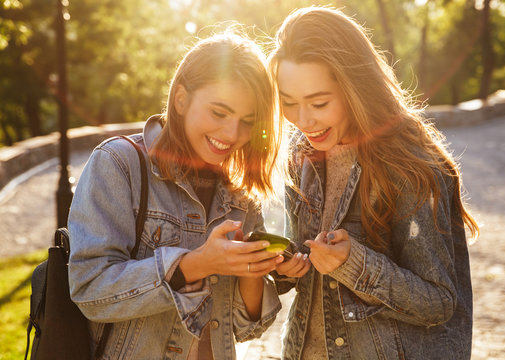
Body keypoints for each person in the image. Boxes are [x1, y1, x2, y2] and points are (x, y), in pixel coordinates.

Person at [269, 7, 480, 360]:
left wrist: (353, 263)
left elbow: (439, 302)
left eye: (319, 102)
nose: (303, 119)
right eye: (288, 102)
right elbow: (307, 266)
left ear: (355, 87)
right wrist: (287, 267)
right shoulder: (300, 154)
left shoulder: (408, 164)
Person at [68, 32, 284, 360]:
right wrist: (193, 265)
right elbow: (89, 289)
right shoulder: (120, 164)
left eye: (247, 122)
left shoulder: (241, 196)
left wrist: (253, 268)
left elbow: (244, 329)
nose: (232, 134)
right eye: (219, 113)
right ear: (181, 99)